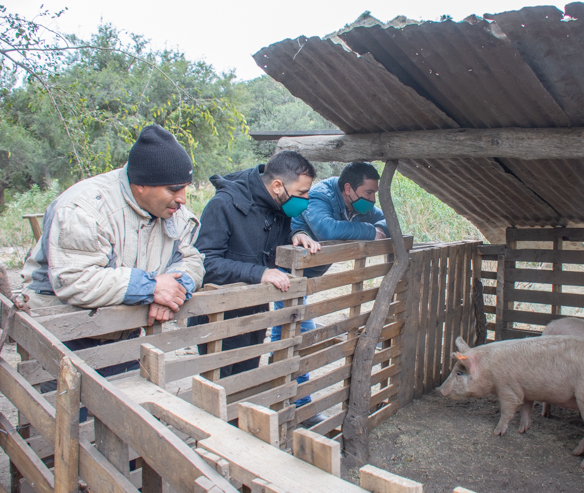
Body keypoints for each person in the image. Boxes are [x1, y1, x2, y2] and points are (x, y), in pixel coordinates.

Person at [19, 124, 205, 381]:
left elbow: (191, 258)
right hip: (62, 333)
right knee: (64, 404)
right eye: (174, 189)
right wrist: (152, 287)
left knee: (122, 401)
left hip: (124, 331)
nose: (182, 198)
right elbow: (75, 280)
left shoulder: (177, 215)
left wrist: (175, 288)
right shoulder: (85, 210)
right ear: (141, 185)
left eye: (185, 188)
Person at [270, 161, 389, 423]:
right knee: (298, 330)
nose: (372, 200)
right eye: (369, 193)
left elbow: (390, 221)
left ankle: (279, 394)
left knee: (285, 332)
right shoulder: (320, 196)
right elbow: (327, 229)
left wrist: (378, 228)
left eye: (374, 193)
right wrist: (372, 232)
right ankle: (297, 404)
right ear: (348, 189)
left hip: (305, 275)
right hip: (285, 271)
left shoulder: (358, 203)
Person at [189, 150, 320, 379]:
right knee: (220, 386)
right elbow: (206, 262)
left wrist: (295, 234)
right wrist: (260, 273)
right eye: (302, 192)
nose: (306, 198)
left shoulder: (279, 207)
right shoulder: (223, 204)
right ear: (277, 186)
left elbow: (274, 236)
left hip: (255, 313)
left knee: (246, 382)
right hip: (218, 317)